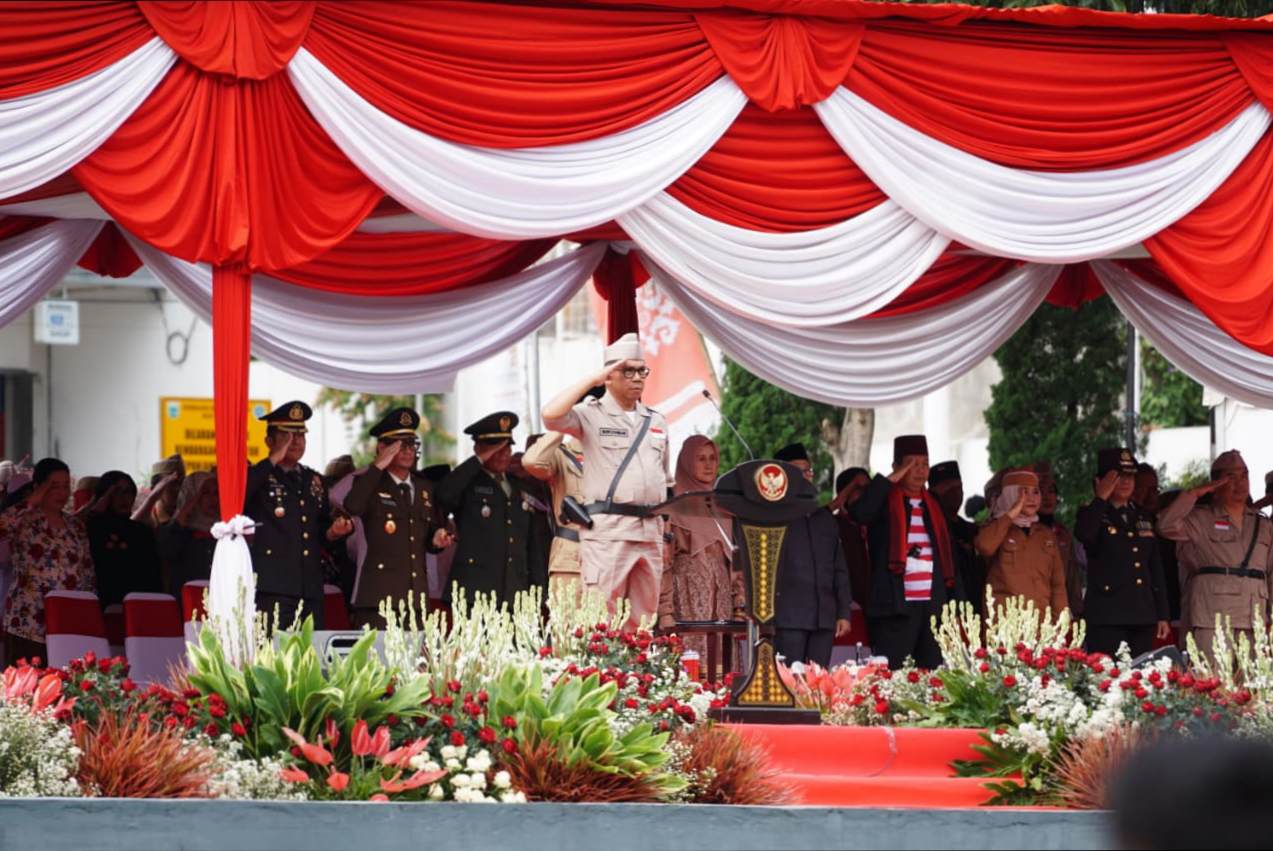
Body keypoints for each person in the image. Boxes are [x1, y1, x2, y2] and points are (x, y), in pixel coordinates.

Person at [541, 333, 670, 629]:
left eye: (642, 371)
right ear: (609, 376)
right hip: (608, 532)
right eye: (628, 371)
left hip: (649, 531)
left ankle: (639, 676)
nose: (638, 378)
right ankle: (602, 676)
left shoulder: (656, 421)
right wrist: (592, 379)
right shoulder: (591, 414)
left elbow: (664, 480)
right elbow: (550, 415)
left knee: (643, 621)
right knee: (601, 618)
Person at [1156, 450, 1273, 664]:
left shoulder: (1263, 524)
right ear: (1216, 483)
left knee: (1252, 688)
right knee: (1214, 684)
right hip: (1214, 617)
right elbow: (1165, 526)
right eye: (1231, 477)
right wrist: (1193, 494)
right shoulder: (1201, 518)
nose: (1240, 483)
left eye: (1244, 475)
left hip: (1253, 617)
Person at [244, 401, 353, 630]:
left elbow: (319, 529)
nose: (295, 442)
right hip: (273, 587)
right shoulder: (261, 476)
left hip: (309, 587)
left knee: (308, 657)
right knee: (273, 656)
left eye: (300, 436)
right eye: (287, 436)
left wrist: (333, 532)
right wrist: (273, 459)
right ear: (269, 441)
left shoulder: (313, 480)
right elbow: (239, 497)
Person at [852, 435, 958, 670]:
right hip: (895, 606)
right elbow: (860, 513)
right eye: (912, 464)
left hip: (932, 607)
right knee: (895, 673)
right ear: (896, 467)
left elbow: (948, 557)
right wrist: (890, 480)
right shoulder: (884, 500)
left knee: (933, 673)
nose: (920, 471)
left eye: (925, 464)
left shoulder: (934, 504)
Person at [343, 407, 451, 628]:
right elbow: (352, 505)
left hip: (416, 598)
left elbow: (427, 534)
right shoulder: (370, 483)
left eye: (411, 444)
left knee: (416, 660)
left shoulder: (423, 487)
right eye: (399, 445)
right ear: (382, 447)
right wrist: (378, 465)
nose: (407, 450)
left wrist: (437, 539)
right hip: (379, 597)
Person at [436, 412, 542, 607]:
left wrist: (538, 594)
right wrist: (478, 460)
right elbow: (443, 495)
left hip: (514, 594)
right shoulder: (467, 483)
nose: (503, 454)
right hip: (474, 593)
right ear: (478, 449)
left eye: (507, 447)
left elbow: (532, 545)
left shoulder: (521, 488)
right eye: (495, 448)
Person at [1074, 448, 1170, 659]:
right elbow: (1085, 534)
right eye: (1117, 477)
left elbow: (1154, 567)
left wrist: (1162, 614)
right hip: (1108, 614)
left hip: (1142, 613)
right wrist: (1100, 498)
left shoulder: (1142, 515)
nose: (1126, 482)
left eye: (1130, 476)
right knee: (1107, 681)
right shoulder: (1093, 513)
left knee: (1140, 680)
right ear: (1100, 481)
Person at [0, 458, 96, 664]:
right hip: (29, 621)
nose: (62, 493)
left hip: (68, 620)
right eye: (54, 487)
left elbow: (87, 572)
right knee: (28, 689)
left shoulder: (75, 526)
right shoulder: (23, 519)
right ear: (39, 487)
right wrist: (31, 502)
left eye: (65, 487)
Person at [658, 436, 743, 662]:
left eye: (713, 458)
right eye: (701, 458)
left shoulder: (722, 505)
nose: (708, 465)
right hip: (686, 603)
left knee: (722, 667)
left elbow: (735, 560)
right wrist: (665, 611)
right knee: (690, 665)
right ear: (686, 462)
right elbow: (663, 562)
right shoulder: (672, 504)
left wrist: (740, 603)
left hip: (721, 604)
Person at [769, 443, 852, 668]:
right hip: (788, 618)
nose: (805, 476)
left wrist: (843, 612)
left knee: (820, 685)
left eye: (808, 471)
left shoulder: (824, 519)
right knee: (789, 684)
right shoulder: (772, 518)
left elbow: (839, 568)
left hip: (824, 618)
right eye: (798, 471)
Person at [976, 468, 1068, 618]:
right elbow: (984, 546)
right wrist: (1012, 513)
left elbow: (1058, 585)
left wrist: (1060, 625)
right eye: (1024, 492)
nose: (1031, 498)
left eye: (1035, 492)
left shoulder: (1046, 535)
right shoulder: (995, 528)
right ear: (1009, 494)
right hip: (1005, 628)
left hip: (1041, 627)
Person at [521, 428, 588, 600]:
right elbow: (532, 461)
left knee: (619, 624)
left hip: (614, 556)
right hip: (573, 558)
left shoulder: (616, 455)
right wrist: (561, 424)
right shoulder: (563, 454)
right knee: (570, 625)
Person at [86, 471, 162, 608]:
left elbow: (153, 576)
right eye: (117, 492)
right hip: (102, 607)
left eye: (128, 491)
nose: (124, 497)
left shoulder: (142, 531)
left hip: (139, 607)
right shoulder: (93, 528)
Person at [928, 460, 985, 616]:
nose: (955, 494)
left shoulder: (972, 529)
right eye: (947, 489)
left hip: (975, 608)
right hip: (944, 610)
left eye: (958, 488)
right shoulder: (930, 529)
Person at [1034, 461, 1085, 617]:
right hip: (1034, 610)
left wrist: (1077, 612)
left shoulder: (1063, 533)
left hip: (1061, 610)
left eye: (1051, 491)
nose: (1047, 497)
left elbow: (1072, 577)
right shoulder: (1025, 533)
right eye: (1040, 491)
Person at [157, 471, 219, 595]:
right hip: (186, 602)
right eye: (205, 493)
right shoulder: (177, 530)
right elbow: (166, 550)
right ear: (192, 495)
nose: (212, 498)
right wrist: (186, 508)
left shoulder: (225, 530)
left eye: (216, 493)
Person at [829, 467, 871, 611]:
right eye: (858, 489)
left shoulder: (879, 524)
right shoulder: (832, 526)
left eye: (868, 489)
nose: (865, 495)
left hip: (878, 610)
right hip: (848, 610)